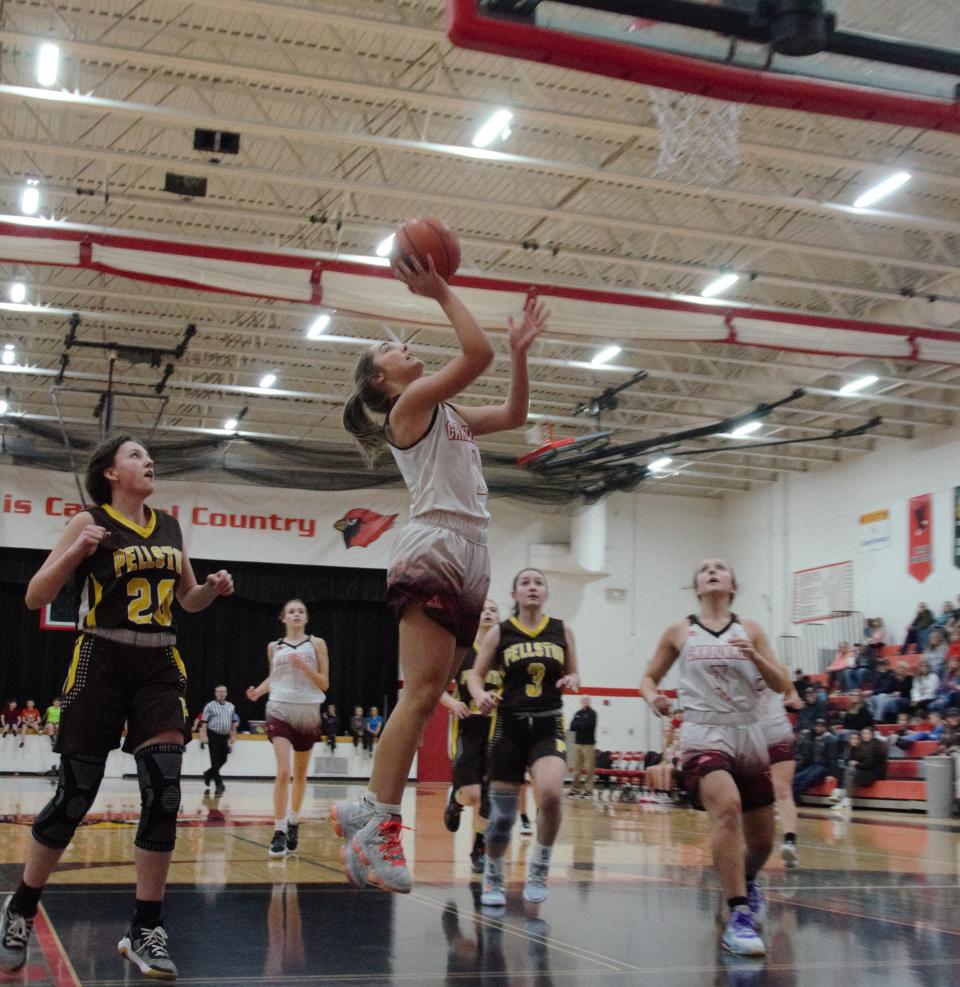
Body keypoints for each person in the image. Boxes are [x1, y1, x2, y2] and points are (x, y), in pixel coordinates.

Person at [330, 256, 546, 895]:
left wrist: (521, 353)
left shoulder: (447, 414)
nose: (406, 345)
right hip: (435, 542)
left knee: (427, 693)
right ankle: (380, 822)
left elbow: (512, 412)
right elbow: (474, 356)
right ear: (382, 377)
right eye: (393, 347)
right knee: (422, 693)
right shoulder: (413, 405)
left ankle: (363, 812)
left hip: (473, 548)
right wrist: (440, 290)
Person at [0, 434, 233, 980]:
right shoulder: (87, 523)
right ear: (109, 472)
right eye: (135, 454)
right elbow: (36, 595)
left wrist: (212, 591)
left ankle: (145, 925)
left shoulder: (170, 527)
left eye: (149, 453)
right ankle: (22, 907)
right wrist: (79, 552)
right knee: (75, 796)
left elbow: (187, 599)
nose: (148, 459)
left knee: (164, 793)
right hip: (99, 659)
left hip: (158, 665)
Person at [640, 559, 788, 957]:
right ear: (696, 587)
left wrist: (755, 658)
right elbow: (648, 677)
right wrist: (654, 697)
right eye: (703, 569)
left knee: (762, 841)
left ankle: (747, 880)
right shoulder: (679, 631)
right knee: (727, 808)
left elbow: (781, 683)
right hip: (702, 730)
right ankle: (738, 914)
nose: (711, 571)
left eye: (720, 567)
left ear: (733, 585)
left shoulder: (751, 629)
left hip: (749, 729)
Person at [468, 568, 580, 906]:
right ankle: (493, 874)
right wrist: (480, 695)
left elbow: (574, 671)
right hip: (509, 725)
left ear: (545, 593)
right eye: (525, 583)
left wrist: (571, 680)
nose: (532, 587)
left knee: (551, 796)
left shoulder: (562, 630)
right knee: (501, 817)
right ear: (515, 594)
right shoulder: (500, 633)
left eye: (538, 583)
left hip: (548, 724)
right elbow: (475, 675)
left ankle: (539, 867)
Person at [246, 599, 329, 858]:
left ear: (306, 618)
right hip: (279, 708)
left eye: (301, 611)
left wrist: (305, 666)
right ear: (283, 618)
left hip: (308, 711)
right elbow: (275, 677)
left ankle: (294, 820)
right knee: (283, 772)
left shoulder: (316, 644)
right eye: (291, 611)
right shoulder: (274, 647)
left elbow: (324, 683)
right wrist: (258, 691)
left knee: (301, 775)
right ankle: (279, 830)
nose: (296, 614)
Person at [439, 597, 503, 874]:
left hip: (496, 728)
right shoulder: (461, 650)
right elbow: (436, 688)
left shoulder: (505, 653)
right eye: (483, 609)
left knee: (489, 795)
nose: (487, 613)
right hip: (466, 726)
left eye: (493, 609)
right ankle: (455, 801)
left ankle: (479, 847)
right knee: (473, 793)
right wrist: (453, 703)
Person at [758, 680, 801, 869]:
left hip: (776, 732)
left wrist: (792, 700)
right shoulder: (732, 665)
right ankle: (757, 844)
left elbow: (793, 695)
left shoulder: (776, 667)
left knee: (782, 789)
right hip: (749, 734)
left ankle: (789, 841)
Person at [831, 725, 888, 813]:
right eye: (863, 733)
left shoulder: (877, 745)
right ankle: (844, 799)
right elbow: (855, 759)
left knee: (850, 770)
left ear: (872, 734)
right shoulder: (864, 744)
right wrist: (852, 749)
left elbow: (870, 764)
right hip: (866, 770)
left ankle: (844, 799)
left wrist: (856, 764)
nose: (865, 735)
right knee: (845, 769)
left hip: (874, 773)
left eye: (867, 733)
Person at [199, 685, 238, 796]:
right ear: (215, 693)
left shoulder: (231, 706)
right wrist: (203, 736)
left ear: (226, 693)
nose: (221, 693)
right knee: (215, 760)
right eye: (219, 692)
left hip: (225, 736)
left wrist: (233, 736)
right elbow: (204, 722)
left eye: (223, 692)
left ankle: (208, 773)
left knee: (224, 758)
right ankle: (219, 784)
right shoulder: (210, 706)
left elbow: (233, 723)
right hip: (213, 735)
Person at [792, 719, 840, 799]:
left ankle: (795, 798)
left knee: (807, 779)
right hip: (813, 765)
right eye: (817, 726)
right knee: (796, 778)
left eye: (821, 727)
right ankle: (793, 798)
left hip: (824, 766)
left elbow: (833, 758)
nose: (818, 728)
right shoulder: (814, 737)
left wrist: (833, 774)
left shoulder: (831, 739)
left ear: (825, 728)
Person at [568, 697, 598, 799]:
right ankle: (575, 790)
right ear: (581, 702)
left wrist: (579, 725)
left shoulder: (593, 714)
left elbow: (589, 726)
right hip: (577, 744)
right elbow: (572, 726)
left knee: (589, 768)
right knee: (576, 768)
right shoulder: (578, 713)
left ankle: (588, 791)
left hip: (588, 745)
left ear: (589, 702)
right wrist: (581, 725)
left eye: (587, 700)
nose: (585, 701)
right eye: (583, 700)